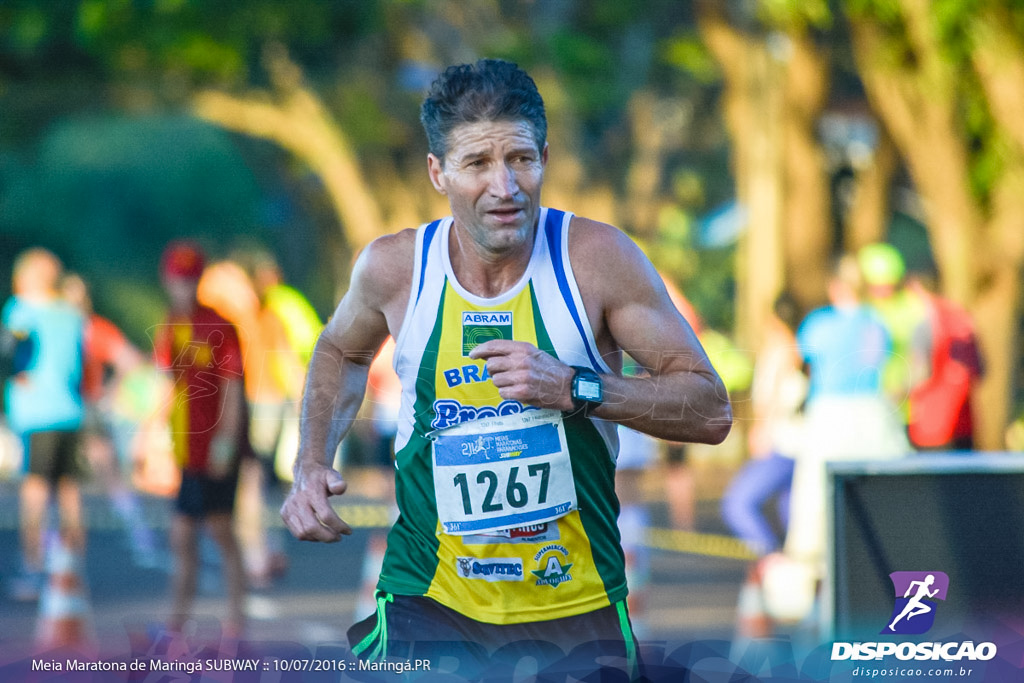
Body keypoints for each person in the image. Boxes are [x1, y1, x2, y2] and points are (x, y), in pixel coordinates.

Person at [280, 59, 731, 678]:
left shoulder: (597, 262)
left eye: (520, 159)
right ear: (438, 172)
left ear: (545, 155)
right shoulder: (396, 269)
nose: (505, 186)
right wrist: (310, 463)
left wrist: (576, 387)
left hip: (575, 601)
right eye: (477, 164)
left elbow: (710, 409)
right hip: (430, 595)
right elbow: (340, 350)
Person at [154, 241, 248, 639]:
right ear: (166, 280)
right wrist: (154, 440)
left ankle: (233, 622)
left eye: (190, 280)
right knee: (183, 536)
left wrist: (226, 444)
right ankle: (177, 624)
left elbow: (232, 390)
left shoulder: (220, 328)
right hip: (186, 450)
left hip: (215, 448)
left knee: (221, 532)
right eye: (178, 280)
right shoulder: (169, 328)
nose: (184, 288)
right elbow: (166, 389)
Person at [60, 272, 160, 568]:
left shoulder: (91, 329)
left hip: (81, 408)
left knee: (97, 475)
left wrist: (107, 393)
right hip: (75, 409)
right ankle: (66, 545)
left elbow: (129, 359)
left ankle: (138, 533)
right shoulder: (84, 327)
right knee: (75, 480)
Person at [2, 248, 86, 602]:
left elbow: (11, 358)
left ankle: (34, 568)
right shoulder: (71, 313)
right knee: (69, 491)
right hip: (71, 410)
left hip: (37, 413)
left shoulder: (20, 311)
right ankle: (71, 566)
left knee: (35, 491)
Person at [904, 267, 983, 451]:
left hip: (930, 427)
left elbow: (921, 373)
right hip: (964, 423)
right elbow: (980, 369)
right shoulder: (961, 316)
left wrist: (898, 393)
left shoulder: (925, 323)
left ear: (916, 287)